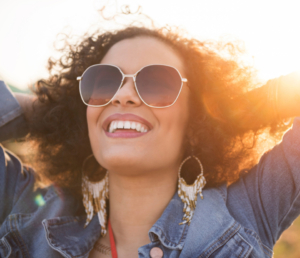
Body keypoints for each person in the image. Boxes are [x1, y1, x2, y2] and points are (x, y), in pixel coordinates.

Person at [0, 25, 300, 258]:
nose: (122, 95)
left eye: (156, 83)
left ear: (195, 119)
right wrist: (57, 112)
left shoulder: (249, 210)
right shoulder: (26, 210)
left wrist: (237, 111)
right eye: (103, 83)